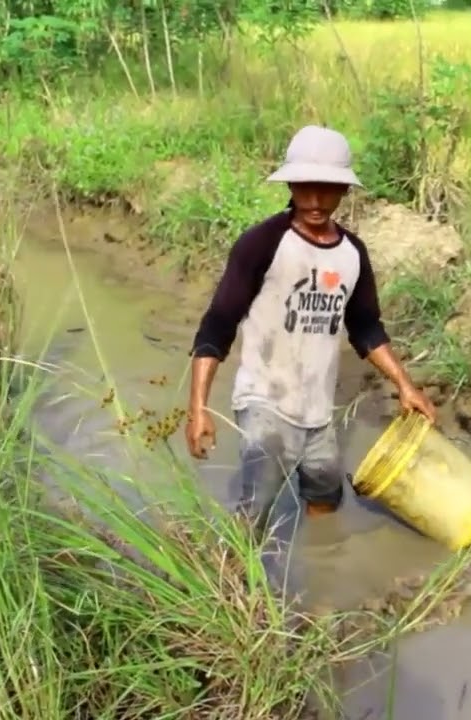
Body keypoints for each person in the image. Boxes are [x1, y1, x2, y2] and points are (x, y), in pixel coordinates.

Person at [184, 124, 437, 535]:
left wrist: (406, 386)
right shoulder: (263, 243)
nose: (315, 200)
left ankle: (319, 589)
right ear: (291, 185)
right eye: (304, 187)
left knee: (325, 499)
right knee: (254, 514)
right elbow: (218, 324)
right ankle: (229, 587)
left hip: (317, 412)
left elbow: (366, 328)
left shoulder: (352, 254)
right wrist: (198, 409)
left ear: (344, 191)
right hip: (265, 400)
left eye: (327, 188)